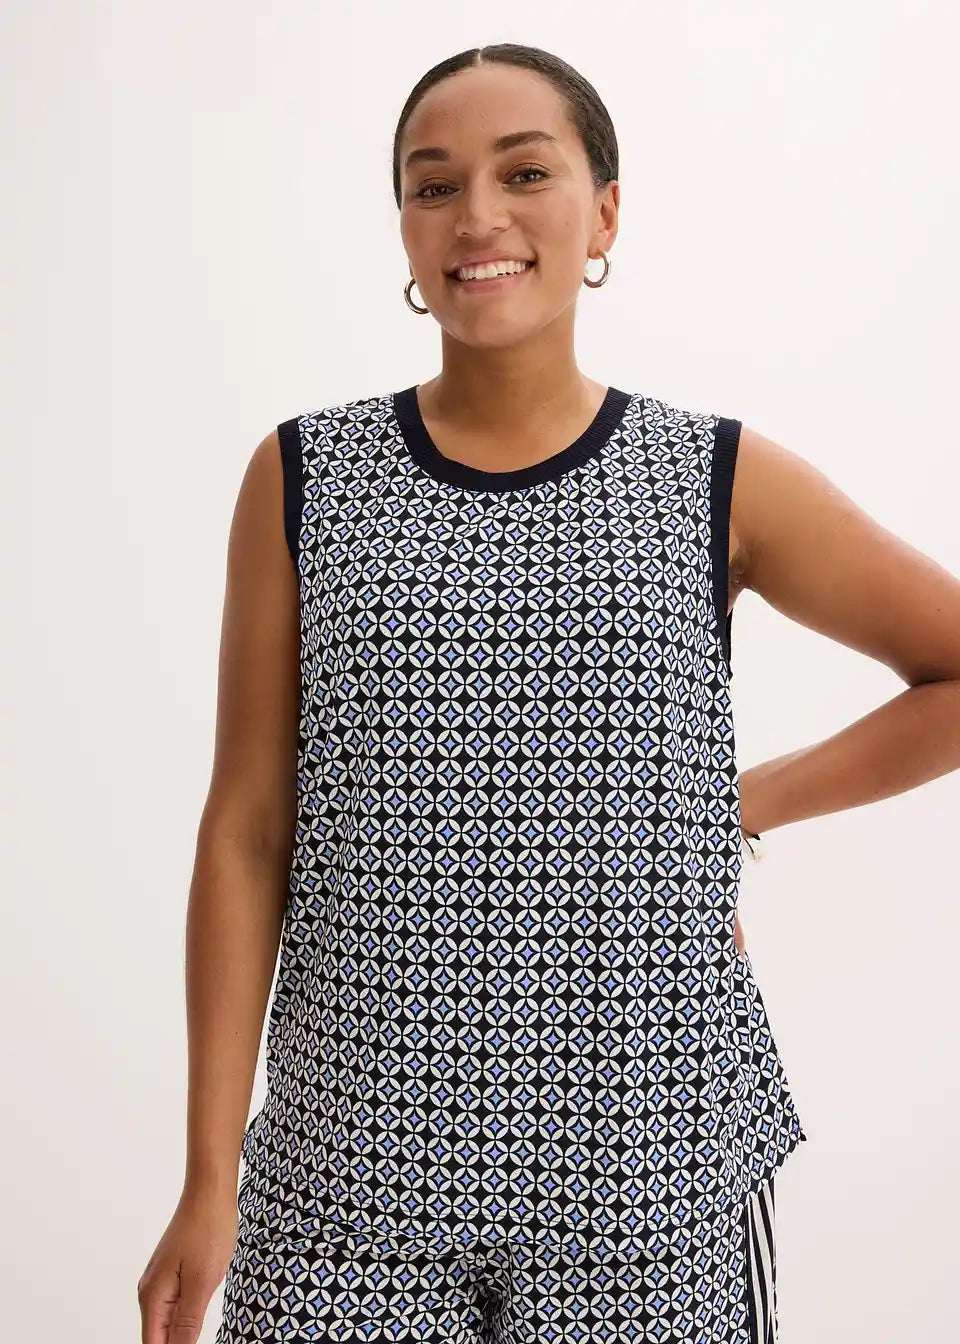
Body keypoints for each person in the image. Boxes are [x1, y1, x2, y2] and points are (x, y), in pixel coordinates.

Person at [137, 43, 960, 1344]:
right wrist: (205, 1176)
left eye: (525, 173)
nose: (478, 216)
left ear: (605, 214)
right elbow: (246, 829)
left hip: (648, 1170)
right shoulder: (301, 478)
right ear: (405, 232)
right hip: (348, 1171)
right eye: (434, 185)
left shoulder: (712, 478)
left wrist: (738, 803)